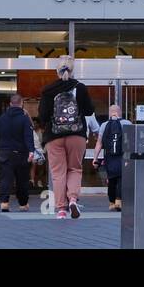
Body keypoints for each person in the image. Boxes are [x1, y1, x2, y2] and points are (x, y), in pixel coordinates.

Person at [38, 58, 95, 219]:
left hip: (54, 136)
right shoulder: (80, 88)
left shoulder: (48, 90)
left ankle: (61, 209)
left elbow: (42, 116)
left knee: (58, 173)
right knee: (75, 169)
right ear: (72, 71)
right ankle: (73, 199)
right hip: (77, 134)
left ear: (57, 72)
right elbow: (89, 111)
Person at [0, 93, 35, 213]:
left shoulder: (2, 118)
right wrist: (31, 151)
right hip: (21, 153)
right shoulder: (24, 118)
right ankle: (23, 204)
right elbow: (28, 136)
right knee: (22, 180)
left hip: (5, 153)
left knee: (5, 179)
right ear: (21, 104)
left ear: (10, 104)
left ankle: (4, 203)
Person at [92, 104, 129, 211]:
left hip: (109, 157)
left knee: (111, 179)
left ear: (110, 113)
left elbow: (99, 143)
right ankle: (119, 199)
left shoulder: (104, 125)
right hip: (123, 156)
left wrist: (95, 158)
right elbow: (132, 142)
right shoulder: (127, 123)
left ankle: (112, 202)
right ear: (120, 112)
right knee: (122, 178)